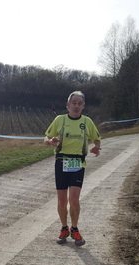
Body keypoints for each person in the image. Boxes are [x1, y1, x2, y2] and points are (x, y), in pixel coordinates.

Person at [43, 91, 101, 246]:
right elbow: (46, 138)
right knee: (62, 200)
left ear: (83, 106)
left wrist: (96, 147)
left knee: (73, 200)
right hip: (61, 162)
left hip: (78, 163)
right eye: (73, 103)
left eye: (79, 103)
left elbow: (96, 138)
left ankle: (75, 229)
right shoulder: (59, 120)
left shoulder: (87, 122)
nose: (76, 106)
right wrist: (50, 141)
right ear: (67, 105)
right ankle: (64, 228)